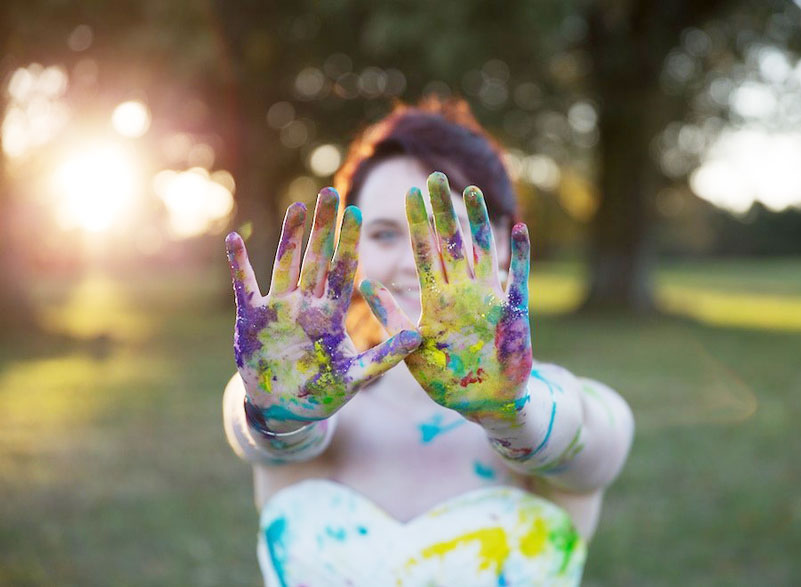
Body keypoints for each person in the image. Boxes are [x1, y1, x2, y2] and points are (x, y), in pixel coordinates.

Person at [222, 98, 634, 586]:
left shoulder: (557, 409)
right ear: (351, 251)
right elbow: (259, 430)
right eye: (383, 233)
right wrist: (279, 418)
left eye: (445, 229)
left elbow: (591, 440)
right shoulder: (301, 406)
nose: (412, 261)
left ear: (503, 241)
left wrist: (512, 415)